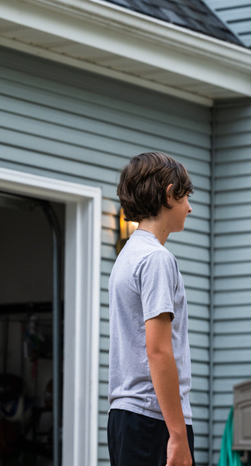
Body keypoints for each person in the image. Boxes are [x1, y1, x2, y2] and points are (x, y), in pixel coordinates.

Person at [108, 151, 196, 466]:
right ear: (170, 193)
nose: (190, 207)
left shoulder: (127, 256)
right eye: (186, 197)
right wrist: (177, 435)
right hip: (153, 418)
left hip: (125, 417)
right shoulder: (157, 259)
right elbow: (158, 350)